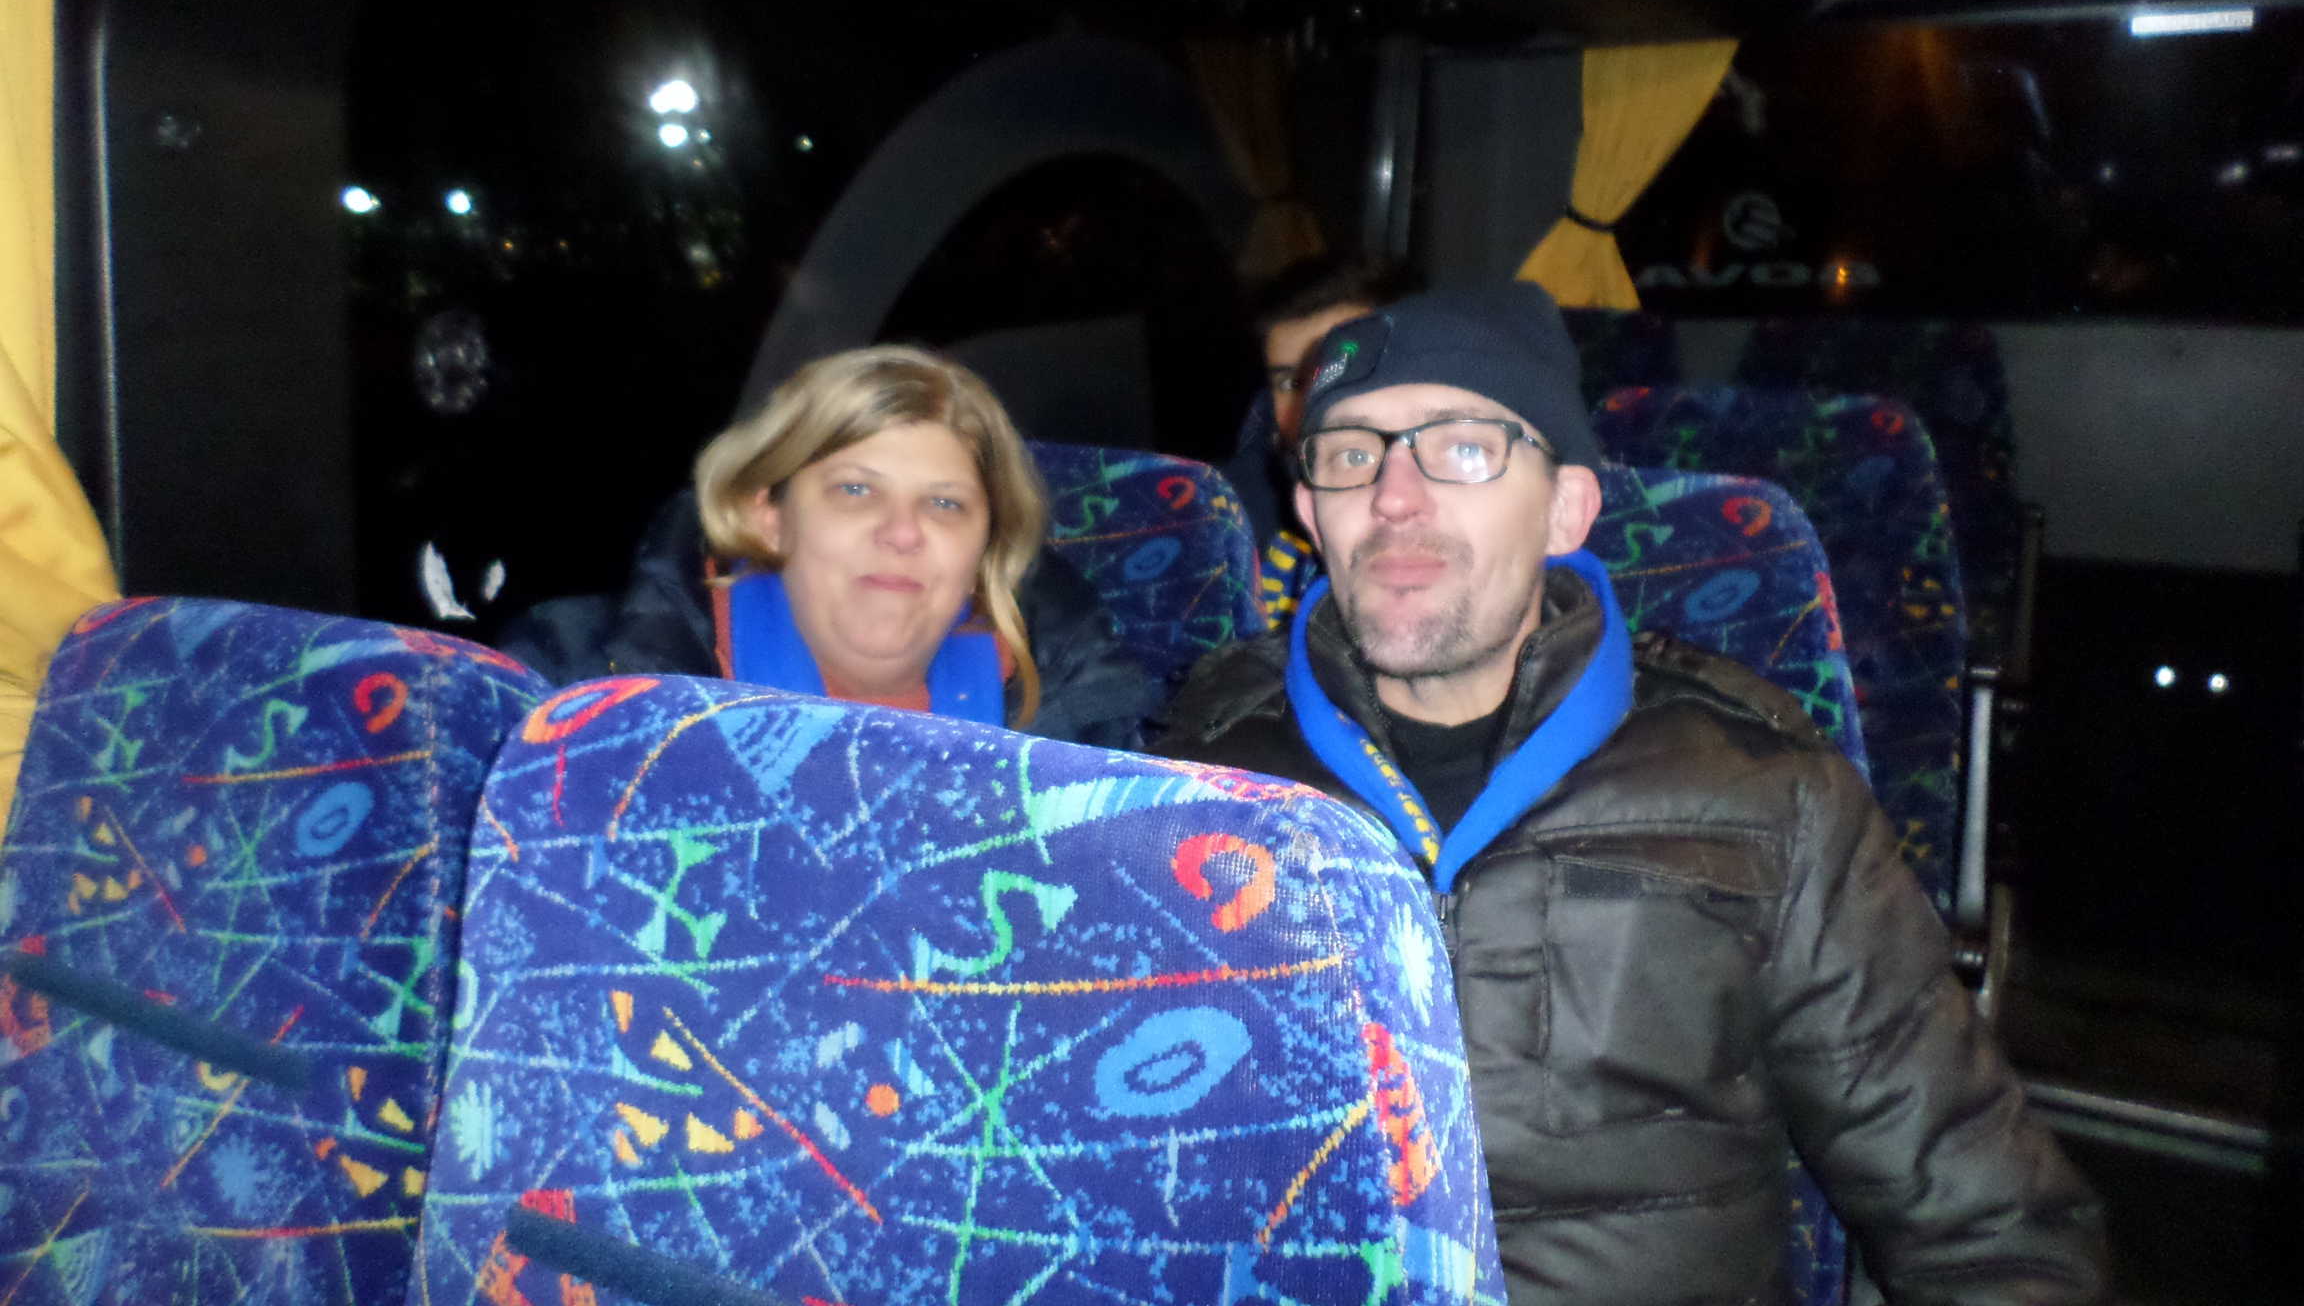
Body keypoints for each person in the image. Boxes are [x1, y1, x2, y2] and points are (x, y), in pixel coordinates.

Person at [1154, 287, 2105, 1305]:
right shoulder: (1188, 787)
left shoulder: (1762, 795)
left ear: (1566, 510)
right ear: (1309, 511)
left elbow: (1992, 1237)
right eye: (1351, 454)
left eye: (1464, 448)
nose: (1394, 498)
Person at [506, 345, 1159, 747]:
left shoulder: (1085, 726)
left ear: (985, 549)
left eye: (944, 504)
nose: (902, 532)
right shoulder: (567, 686)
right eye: (855, 490)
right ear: (768, 517)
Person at [1220, 255, 1420, 622]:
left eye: (1337, 372)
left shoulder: (1446, 508)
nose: (1310, 406)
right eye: (1290, 383)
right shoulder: (1227, 514)